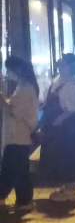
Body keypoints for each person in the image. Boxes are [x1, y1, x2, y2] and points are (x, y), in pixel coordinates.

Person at [40, 55, 75, 202]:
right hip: (58, 125)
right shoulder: (59, 80)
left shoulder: (71, 84)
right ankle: (67, 187)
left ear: (69, 66)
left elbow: (74, 107)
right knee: (59, 156)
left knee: (67, 155)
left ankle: (71, 190)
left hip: (66, 128)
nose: (59, 62)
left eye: (62, 61)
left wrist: (59, 119)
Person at [0, 56, 40, 213]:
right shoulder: (23, 86)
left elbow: (17, 112)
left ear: (17, 70)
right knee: (10, 167)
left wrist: (3, 102)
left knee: (18, 169)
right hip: (15, 135)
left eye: (9, 70)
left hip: (18, 135)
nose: (8, 74)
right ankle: (5, 196)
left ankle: (25, 200)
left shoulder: (26, 88)